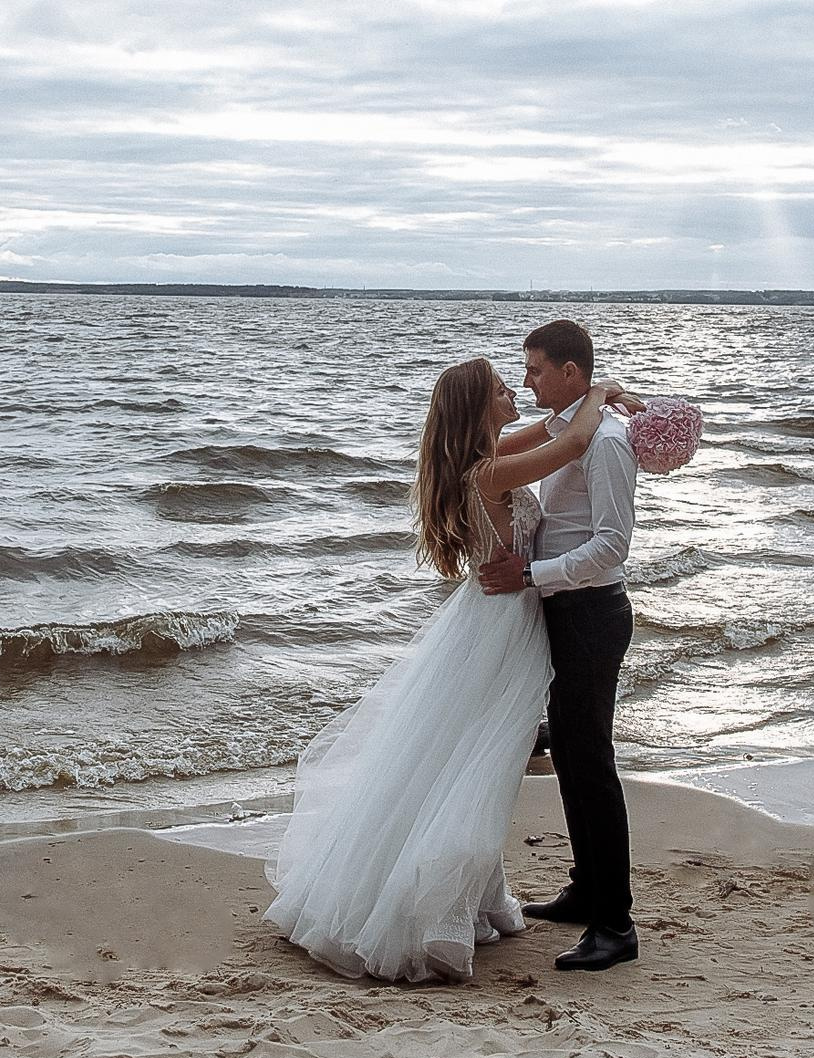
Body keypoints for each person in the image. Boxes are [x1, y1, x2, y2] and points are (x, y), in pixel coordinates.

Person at [262, 356, 624, 982]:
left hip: (491, 620)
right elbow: (571, 440)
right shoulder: (489, 471)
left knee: (456, 757)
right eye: (501, 387)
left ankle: (477, 897)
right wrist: (608, 390)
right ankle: (429, 906)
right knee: (473, 764)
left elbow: (552, 433)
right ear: (479, 407)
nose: (515, 390)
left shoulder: (485, 457)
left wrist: (584, 399)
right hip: (502, 627)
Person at [476, 318, 641, 972]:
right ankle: (587, 888)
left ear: (571, 372)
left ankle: (616, 922)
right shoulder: (572, 429)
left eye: (537, 368)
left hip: (593, 613)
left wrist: (531, 575)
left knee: (591, 761)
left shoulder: (603, 443)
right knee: (570, 756)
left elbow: (610, 547)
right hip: (565, 614)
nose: (526, 380)